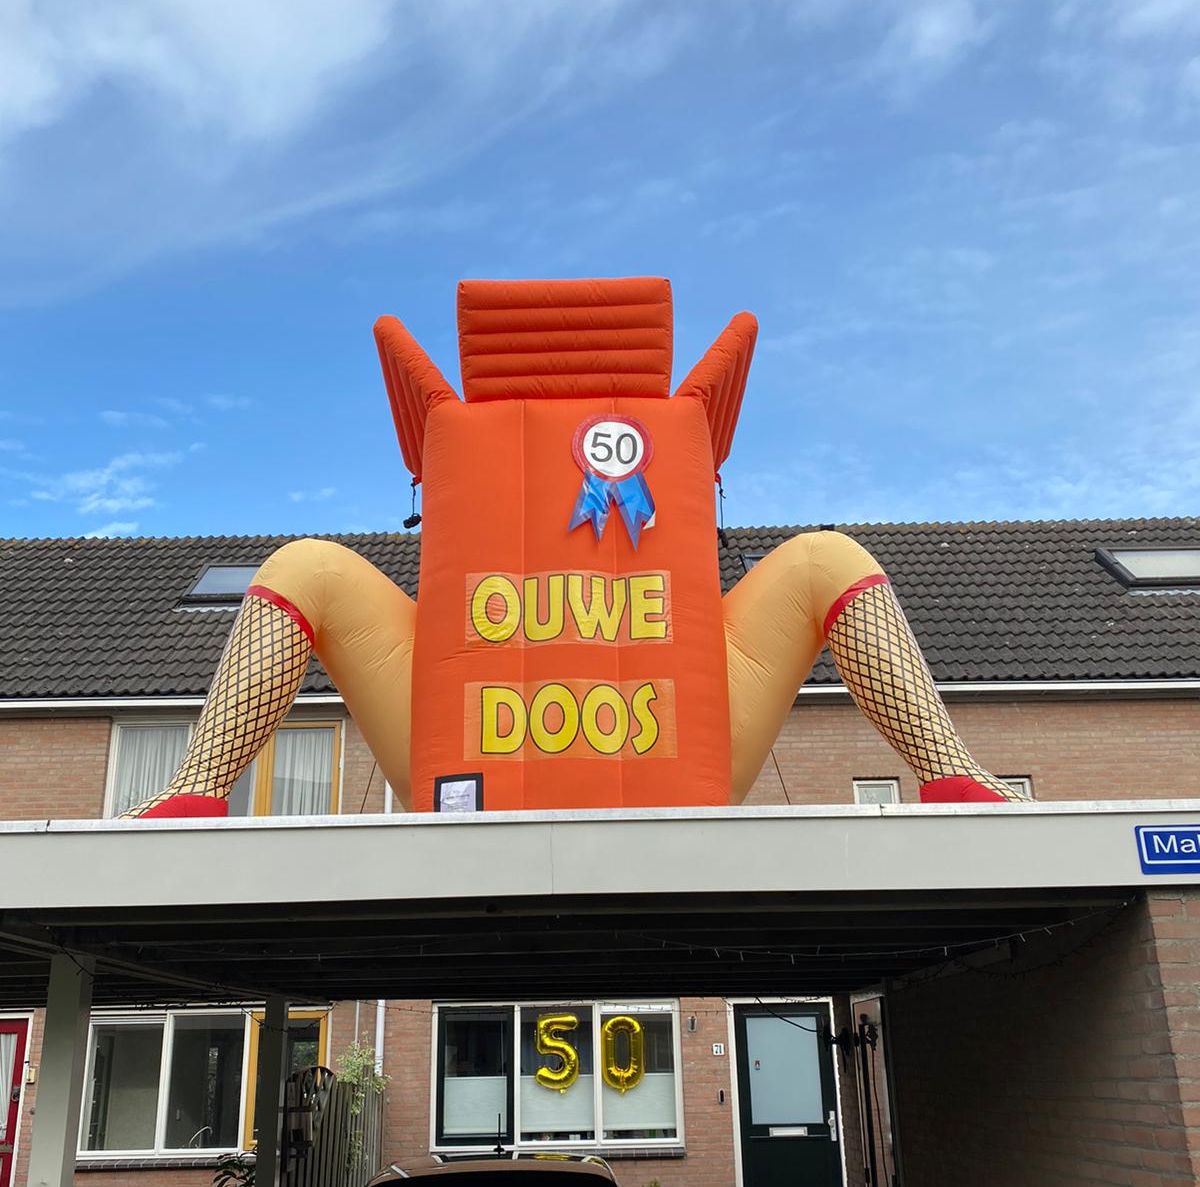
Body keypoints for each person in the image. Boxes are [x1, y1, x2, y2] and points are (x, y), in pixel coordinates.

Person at [126, 279, 1019, 818]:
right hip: (467, 739)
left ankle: (950, 769)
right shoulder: (479, 454)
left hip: (678, 734)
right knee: (302, 566)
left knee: (829, 556)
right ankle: (197, 784)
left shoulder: (649, 454)